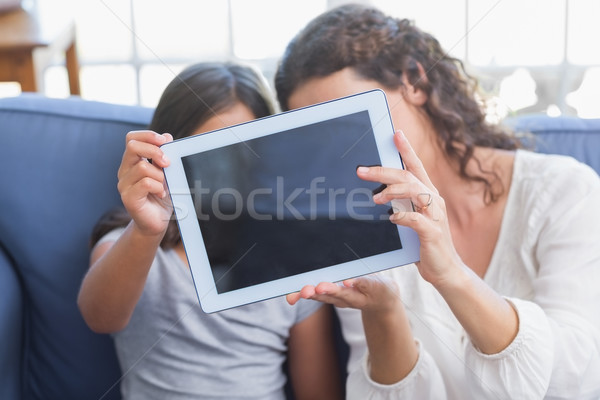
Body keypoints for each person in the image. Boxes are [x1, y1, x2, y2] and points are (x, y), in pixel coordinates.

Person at [277, 4, 600, 399]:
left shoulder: (566, 191)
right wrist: (383, 311)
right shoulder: (363, 231)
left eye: (350, 122)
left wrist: (453, 276)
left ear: (415, 81)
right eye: (317, 138)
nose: (339, 154)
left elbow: (574, 381)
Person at [77, 62, 343, 400]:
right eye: (204, 156)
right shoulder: (134, 244)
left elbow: (317, 389)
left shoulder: (293, 260)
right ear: (163, 162)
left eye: (244, 153)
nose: (225, 175)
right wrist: (146, 230)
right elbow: (101, 318)